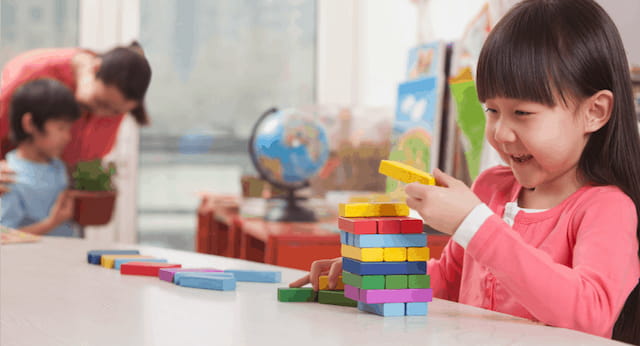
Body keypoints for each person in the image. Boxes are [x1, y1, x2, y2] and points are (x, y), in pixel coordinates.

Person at [290, 0, 640, 343]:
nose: (501, 133)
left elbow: (590, 315)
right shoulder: (491, 189)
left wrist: (473, 223)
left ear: (595, 112)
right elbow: (446, 279)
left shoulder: (606, 208)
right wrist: (370, 274)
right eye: (492, 110)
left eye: (523, 113)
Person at [0, 41, 152, 168]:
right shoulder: (31, 72)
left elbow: (86, 157)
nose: (101, 113)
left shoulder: (116, 100)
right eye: (99, 102)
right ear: (95, 68)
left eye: (115, 112)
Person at [0, 79, 81, 236]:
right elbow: (5, 236)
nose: (67, 137)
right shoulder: (9, 177)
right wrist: (51, 223)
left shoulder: (58, 166)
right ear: (30, 124)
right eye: (61, 128)